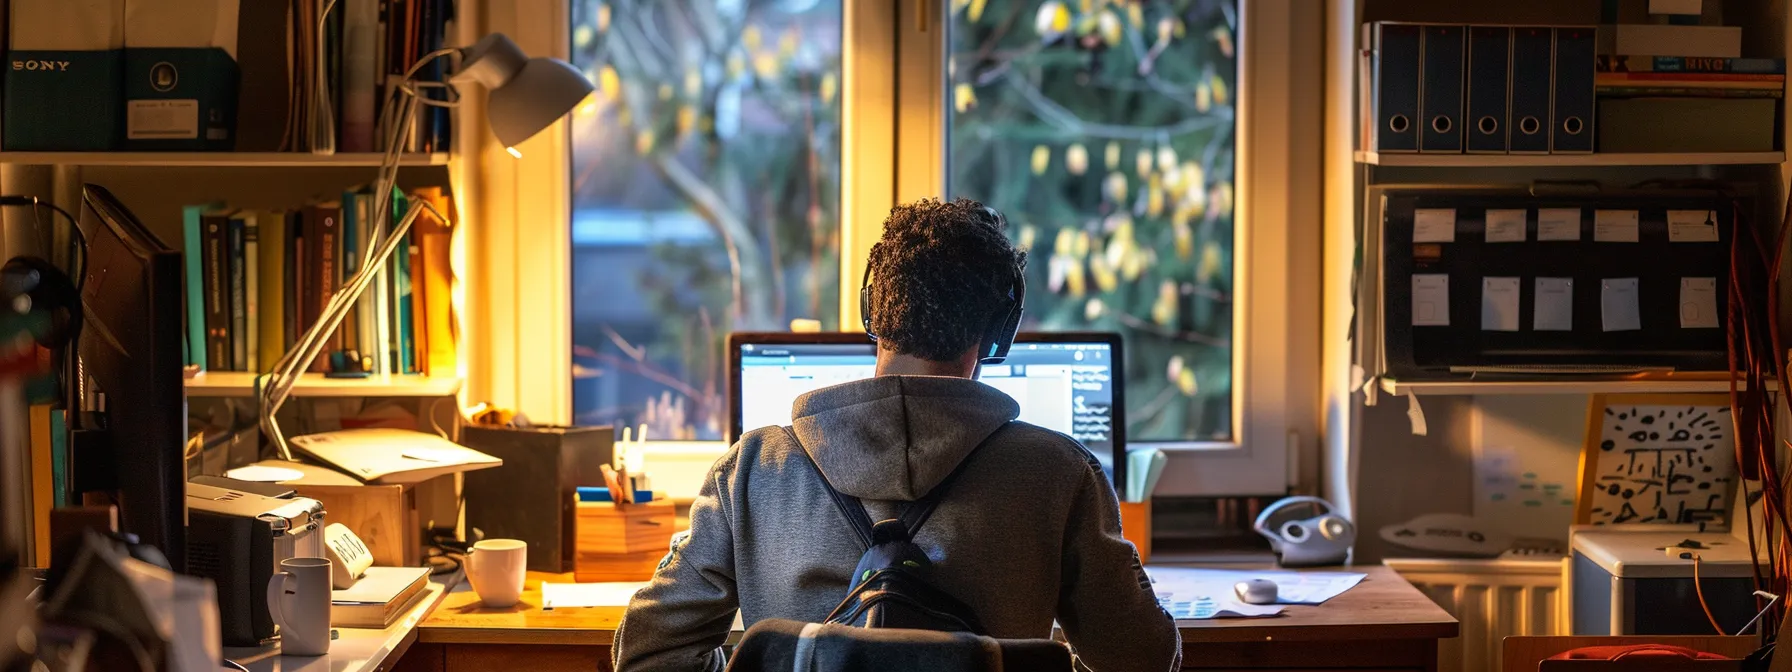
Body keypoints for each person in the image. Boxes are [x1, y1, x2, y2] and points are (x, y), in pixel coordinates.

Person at [613, 198, 1182, 671]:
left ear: (871, 311)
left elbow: (647, 653)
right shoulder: (1061, 474)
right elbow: (1146, 661)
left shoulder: (752, 469)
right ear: (998, 333)